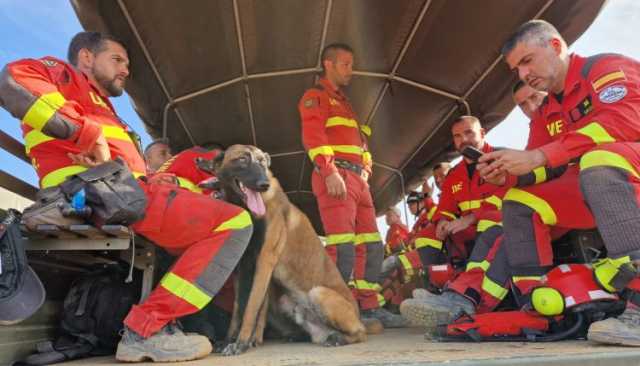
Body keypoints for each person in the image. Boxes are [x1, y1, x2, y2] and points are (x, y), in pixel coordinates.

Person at [0, 31, 253, 362]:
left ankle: (184, 321)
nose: (125, 70)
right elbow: (14, 81)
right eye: (117, 60)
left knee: (213, 232)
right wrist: (86, 133)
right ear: (87, 58)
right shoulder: (64, 75)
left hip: (122, 194)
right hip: (91, 192)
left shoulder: (105, 107)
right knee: (235, 222)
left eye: (127, 64)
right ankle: (147, 329)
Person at [478, 20, 640, 346]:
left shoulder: (605, 68)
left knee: (598, 160)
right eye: (516, 70)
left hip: (625, 175)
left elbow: (626, 120)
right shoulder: (547, 110)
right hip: (595, 187)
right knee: (519, 200)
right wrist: (507, 172)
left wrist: (541, 155)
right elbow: (543, 167)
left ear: (554, 46)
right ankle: (538, 305)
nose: (523, 75)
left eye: (527, 61)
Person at [298, 43, 405, 327]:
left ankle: (367, 308)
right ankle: (329, 312)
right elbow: (313, 135)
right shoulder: (316, 96)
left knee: (371, 246)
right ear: (328, 64)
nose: (351, 70)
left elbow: (361, 143)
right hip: (337, 176)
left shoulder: (345, 103)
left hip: (358, 180)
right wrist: (329, 171)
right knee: (342, 246)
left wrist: (366, 171)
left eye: (352, 64)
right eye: (345, 64)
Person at [399, 116, 507, 329]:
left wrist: (472, 217)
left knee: (489, 225)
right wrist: (441, 222)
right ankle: (437, 292)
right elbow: (446, 207)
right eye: (457, 136)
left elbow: (506, 199)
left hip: (496, 223)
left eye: (469, 133)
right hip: (466, 231)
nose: (463, 139)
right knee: (427, 236)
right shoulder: (455, 174)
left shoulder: (500, 158)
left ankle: (461, 297)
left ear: (483, 133)